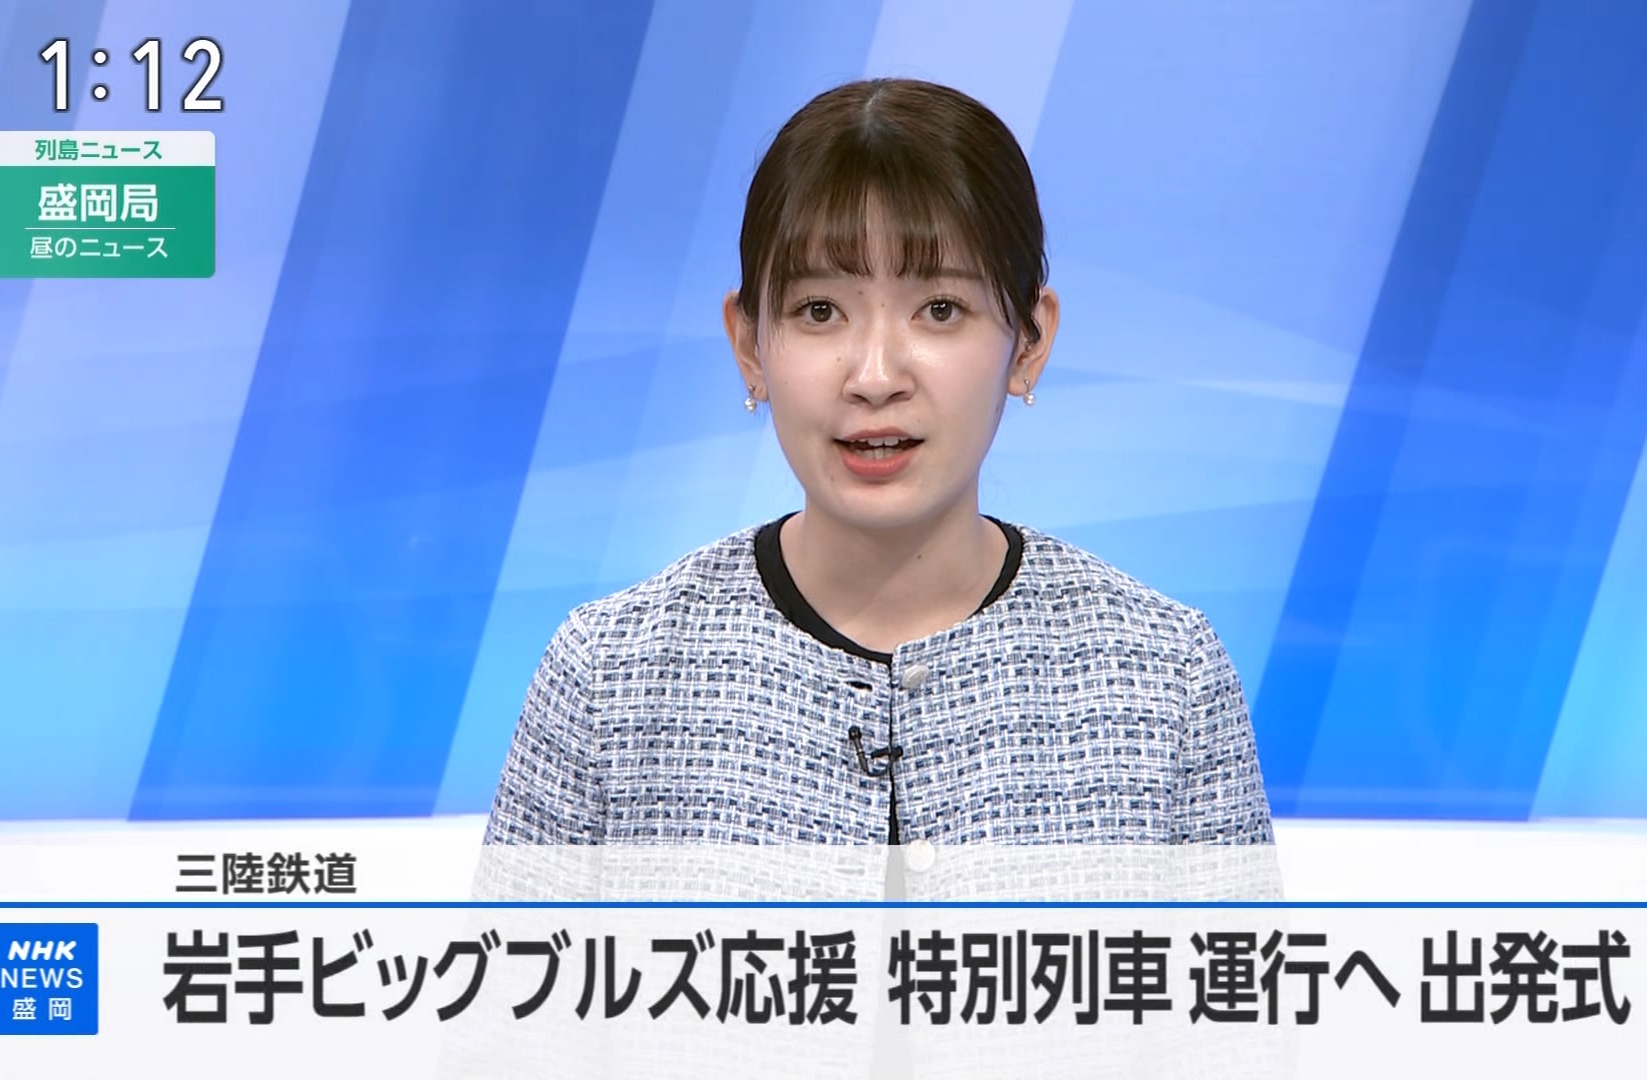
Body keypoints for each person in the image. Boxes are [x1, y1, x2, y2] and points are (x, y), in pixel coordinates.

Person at [484, 78, 1273, 851]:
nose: (874, 376)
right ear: (749, 345)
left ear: (1029, 344)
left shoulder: (1165, 676)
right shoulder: (609, 677)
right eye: (819, 311)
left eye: (940, 310)